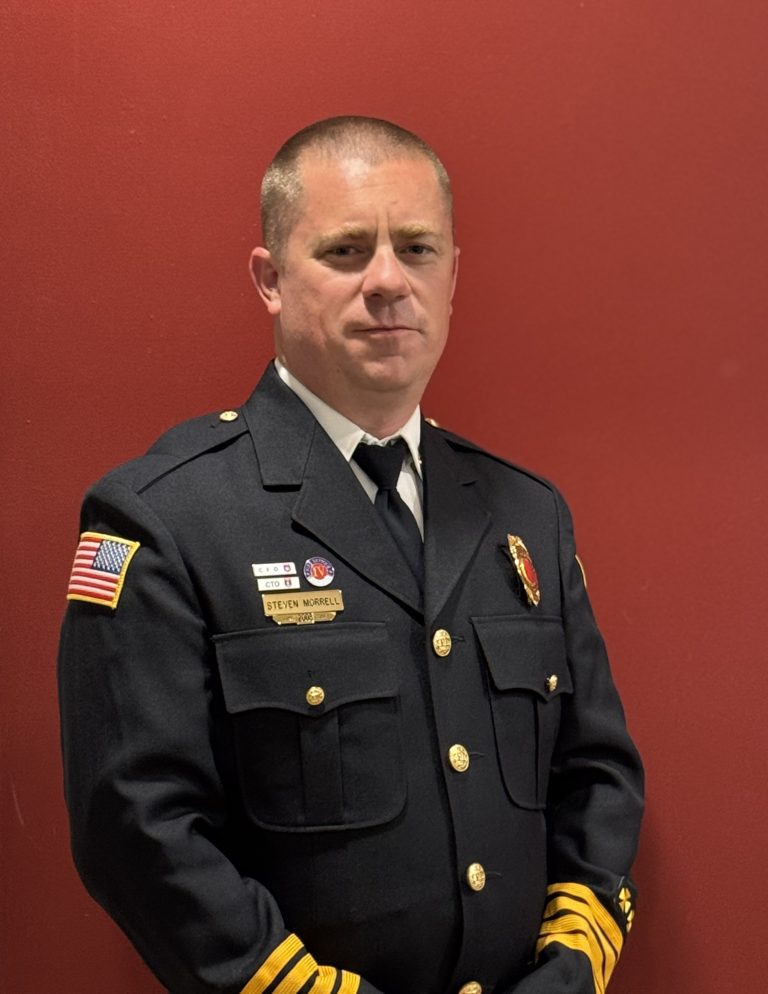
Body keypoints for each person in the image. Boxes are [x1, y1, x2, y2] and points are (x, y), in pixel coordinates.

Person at [58, 116, 643, 994]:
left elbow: (597, 774)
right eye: (344, 250)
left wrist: (566, 972)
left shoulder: (530, 514)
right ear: (269, 279)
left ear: (454, 275)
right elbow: (138, 830)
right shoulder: (168, 518)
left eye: (417, 248)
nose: (388, 282)